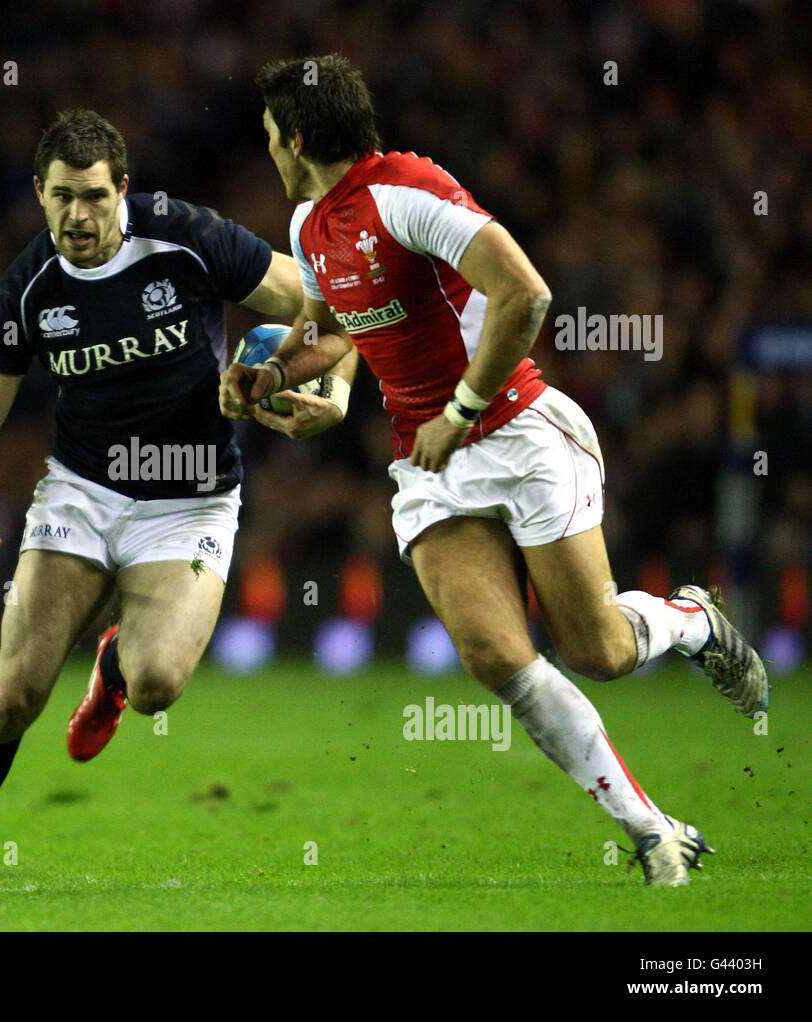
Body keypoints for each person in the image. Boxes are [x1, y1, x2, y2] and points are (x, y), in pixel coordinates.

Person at [220, 54, 768, 886]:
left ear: (296, 137)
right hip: (430, 461)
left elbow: (526, 295)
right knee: (491, 653)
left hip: (515, 431)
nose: (266, 151)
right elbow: (335, 332)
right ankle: (652, 829)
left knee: (600, 652)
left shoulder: (406, 190)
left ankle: (689, 620)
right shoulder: (308, 226)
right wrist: (272, 374)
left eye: (268, 136)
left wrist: (460, 411)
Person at [0, 108, 356, 874]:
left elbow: (326, 303)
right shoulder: (32, 285)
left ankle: (115, 669)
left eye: (94, 195)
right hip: (83, 494)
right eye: (61, 196)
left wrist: (332, 388)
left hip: (191, 497)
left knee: (159, 684)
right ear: (39, 193)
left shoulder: (189, 238)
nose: (78, 214)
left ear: (123, 188)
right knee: (15, 694)